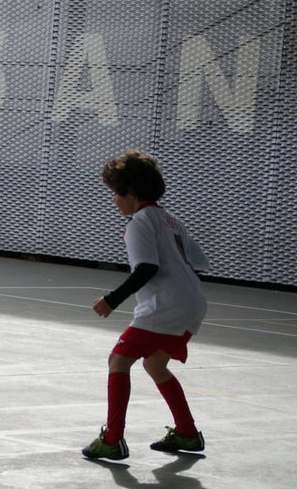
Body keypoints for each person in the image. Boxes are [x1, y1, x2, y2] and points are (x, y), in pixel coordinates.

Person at [81, 148, 209, 461]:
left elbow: (147, 268)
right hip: (193, 302)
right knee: (154, 364)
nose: (113, 200)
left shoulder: (140, 221)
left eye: (115, 193)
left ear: (131, 192)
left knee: (118, 360)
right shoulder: (170, 219)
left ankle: (112, 439)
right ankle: (188, 433)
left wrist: (112, 299)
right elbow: (200, 262)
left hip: (167, 305)